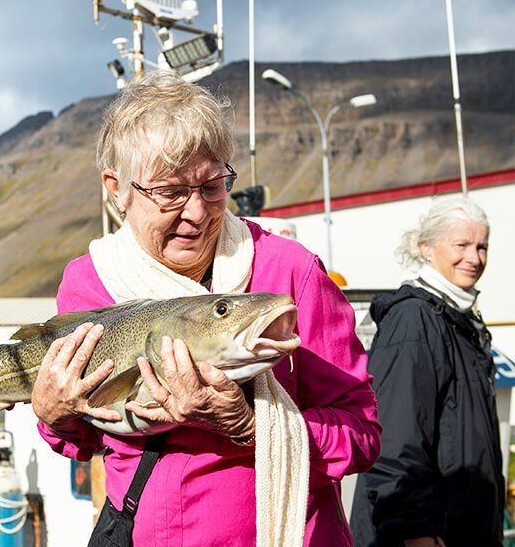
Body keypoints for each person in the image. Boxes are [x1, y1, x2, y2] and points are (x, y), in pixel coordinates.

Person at [30, 70, 381, 546]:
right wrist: (52, 414)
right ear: (117, 188)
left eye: (213, 187)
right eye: (170, 192)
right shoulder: (89, 282)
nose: (197, 213)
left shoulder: (289, 273)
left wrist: (252, 425)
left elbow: (361, 433)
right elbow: (86, 438)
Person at [350, 197, 502, 546]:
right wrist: (414, 530)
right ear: (427, 248)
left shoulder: (460, 322)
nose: (474, 258)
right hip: (424, 535)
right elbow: (395, 438)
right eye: (461, 245)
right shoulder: (414, 319)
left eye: (482, 246)